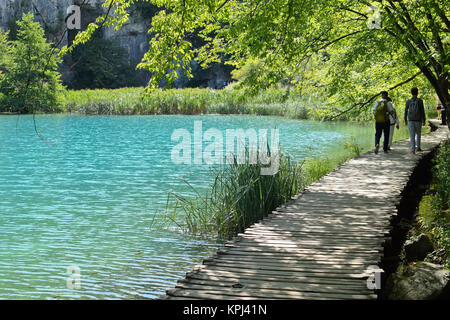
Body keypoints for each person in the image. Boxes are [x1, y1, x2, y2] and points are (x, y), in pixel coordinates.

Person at [405, 87, 426, 154]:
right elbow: (422, 111)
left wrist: (405, 119)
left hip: (410, 120)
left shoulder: (408, 101)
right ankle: (418, 148)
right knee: (418, 134)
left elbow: (405, 110)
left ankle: (412, 149)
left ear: (411, 93)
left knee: (412, 135)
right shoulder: (420, 101)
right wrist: (424, 120)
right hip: (418, 120)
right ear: (417, 93)